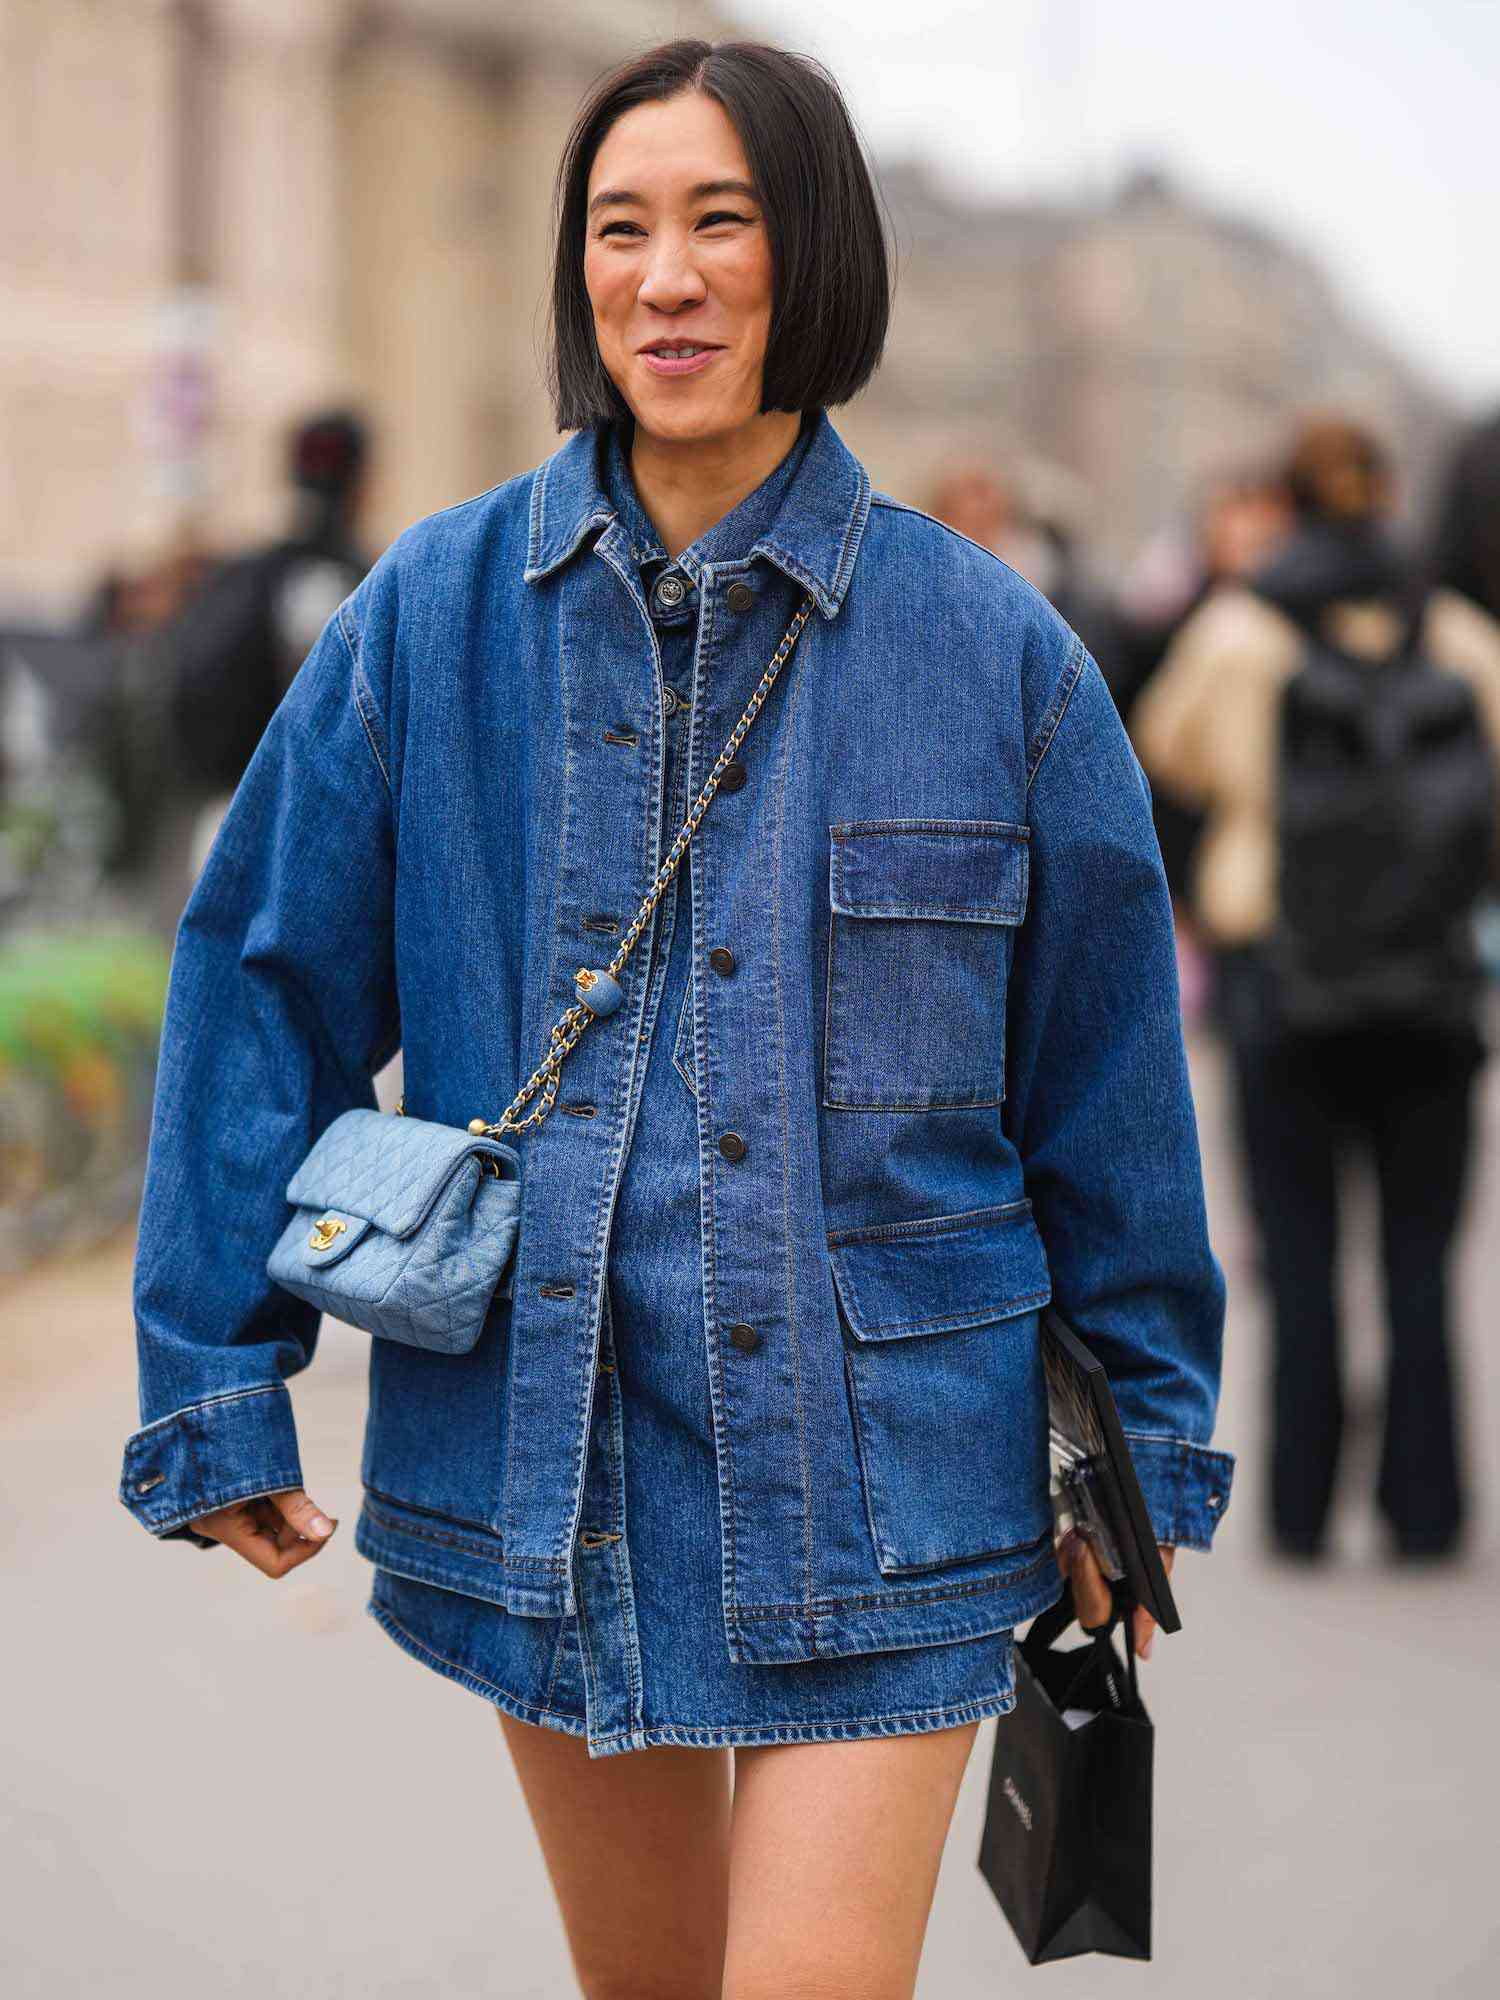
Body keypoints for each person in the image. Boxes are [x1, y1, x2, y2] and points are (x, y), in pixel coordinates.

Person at [117, 38, 1233, 1997]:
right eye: (620, 227)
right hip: (545, 1474)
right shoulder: (430, 618)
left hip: (895, 1482)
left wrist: (1137, 1444)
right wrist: (218, 1373)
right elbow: (264, 977)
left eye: (722, 220)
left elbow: (1108, 1087)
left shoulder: (1002, 662)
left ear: (817, 255)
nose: (666, 275)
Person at [1133, 414, 1500, 1569]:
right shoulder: (1451, 627)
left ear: (1286, 501)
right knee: (1418, 1254)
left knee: (1296, 1259)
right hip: (1433, 981)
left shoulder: (1240, 628)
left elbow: (1161, 747)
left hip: (1280, 974)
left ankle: (1299, 1507)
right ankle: (1426, 1507)